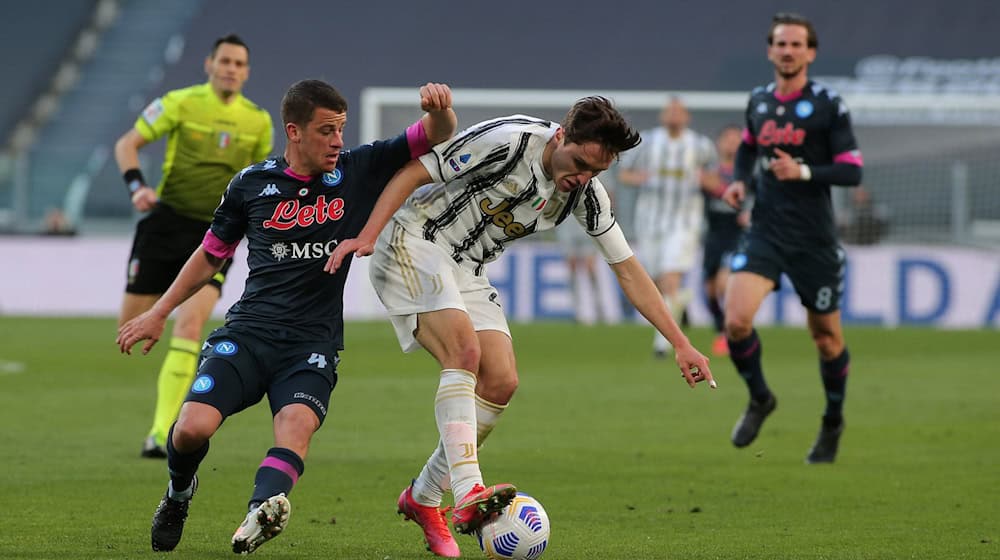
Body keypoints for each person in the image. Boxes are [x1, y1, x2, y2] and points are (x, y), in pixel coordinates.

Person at [325, 97, 716, 558]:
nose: (583, 178)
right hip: (414, 238)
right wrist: (370, 233)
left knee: (501, 381)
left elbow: (628, 268)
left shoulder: (585, 195)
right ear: (561, 137)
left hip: (467, 267)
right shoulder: (508, 141)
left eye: (597, 172)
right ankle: (469, 491)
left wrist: (681, 343)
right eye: (579, 163)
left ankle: (424, 495)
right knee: (463, 353)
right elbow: (416, 171)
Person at [117, 80, 457, 553]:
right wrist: (159, 312)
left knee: (296, 426)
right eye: (326, 131)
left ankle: (261, 511)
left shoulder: (358, 168)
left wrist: (440, 110)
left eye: (341, 129)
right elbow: (211, 255)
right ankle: (178, 494)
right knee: (191, 428)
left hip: (311, 343)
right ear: (294, 132)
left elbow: (434, 134)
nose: (338, 140)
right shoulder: (251, 184)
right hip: (249, 333)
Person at [113, 34, 274, 459]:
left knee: (189, 325)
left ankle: (160, 431)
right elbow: (126, 144)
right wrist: (137, 189)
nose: (231, 69)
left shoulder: (258, 122)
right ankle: (172, 369)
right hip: (164, 225)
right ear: (209, 64)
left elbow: (256, 181)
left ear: (247, 72)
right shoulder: (180, 103)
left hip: (214, 233)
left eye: (239, 63)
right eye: (225, 61)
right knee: (129, 325)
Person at [721, 12, 864, 464]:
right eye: (780, 44)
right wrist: (741, 180)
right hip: (765, 230)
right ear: (770, 51)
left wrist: (802, 171)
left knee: (826, 338)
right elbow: (747, 145)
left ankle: (832, 421)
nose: (787, 51)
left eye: (796, 44)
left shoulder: (828, 105)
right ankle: (761, 397)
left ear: (810, 53)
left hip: (815, 240)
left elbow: (852, 168)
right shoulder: (759, 101)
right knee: (736, 320)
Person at [618, 97, 718, 357]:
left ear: (687, 117)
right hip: (650, 221)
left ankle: (662, 344)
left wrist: (708, 182)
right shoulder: (648, 142)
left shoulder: (700, 146)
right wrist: (639, 178)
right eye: (669, 111)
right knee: (657, 281)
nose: (674, 115)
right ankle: (682, 300)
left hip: (684, 222)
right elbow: (624, 174)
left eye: (679, 111)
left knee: (670, 278)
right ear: (662, 116)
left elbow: (714, 177)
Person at [701, 125, 752, 356]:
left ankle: (728, 333)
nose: (731, 143)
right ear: (719, 143)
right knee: (710, 289)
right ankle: (722, 327)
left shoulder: (747, 173)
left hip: (737, 234)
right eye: (727, 138)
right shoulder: (708, 171)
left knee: (724, 283)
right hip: (713, 234)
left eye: (736, 139)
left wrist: (752, 213)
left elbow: (762, 198)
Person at [555, 219, 606, 324]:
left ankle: (598, 306)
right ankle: (576, 310)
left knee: (591, 269)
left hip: (585, 222)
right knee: (572, 269)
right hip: (567, 223)